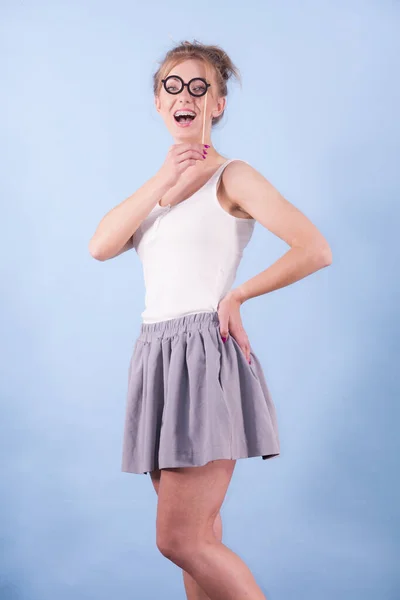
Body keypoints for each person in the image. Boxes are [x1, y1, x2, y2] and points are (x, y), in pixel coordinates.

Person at [89, 39, 332, 600]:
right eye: (172, 85)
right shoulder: (156, 191)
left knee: (180, 538)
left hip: (202, 352)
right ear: (157, 102)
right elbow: (101, 246)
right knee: (201, 535)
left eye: (200, 87)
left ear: (217, 104)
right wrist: (162, 178)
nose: (185, 95)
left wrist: (238, 296)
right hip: (156, 354)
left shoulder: (234, 176)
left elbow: (314, 248)